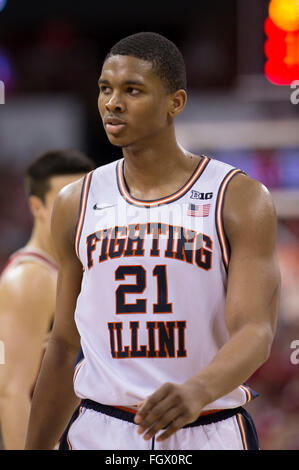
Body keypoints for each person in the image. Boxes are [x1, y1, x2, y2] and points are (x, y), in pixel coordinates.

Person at [25, 32, 280, 451]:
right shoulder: (76, 201)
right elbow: (64, 342)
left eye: (132, 90)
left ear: (174, 103)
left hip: (209, 425)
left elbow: (255, 331)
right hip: (101, 428)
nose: (113, 103)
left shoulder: (239, 198)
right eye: (105, 89)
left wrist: (198, 390)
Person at [0, 149, 95, 450]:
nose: (76, 210)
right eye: (64, 200)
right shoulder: (29, 279)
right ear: (36, 207)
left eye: (83, 199)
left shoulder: (71, 270)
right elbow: (11, 393)